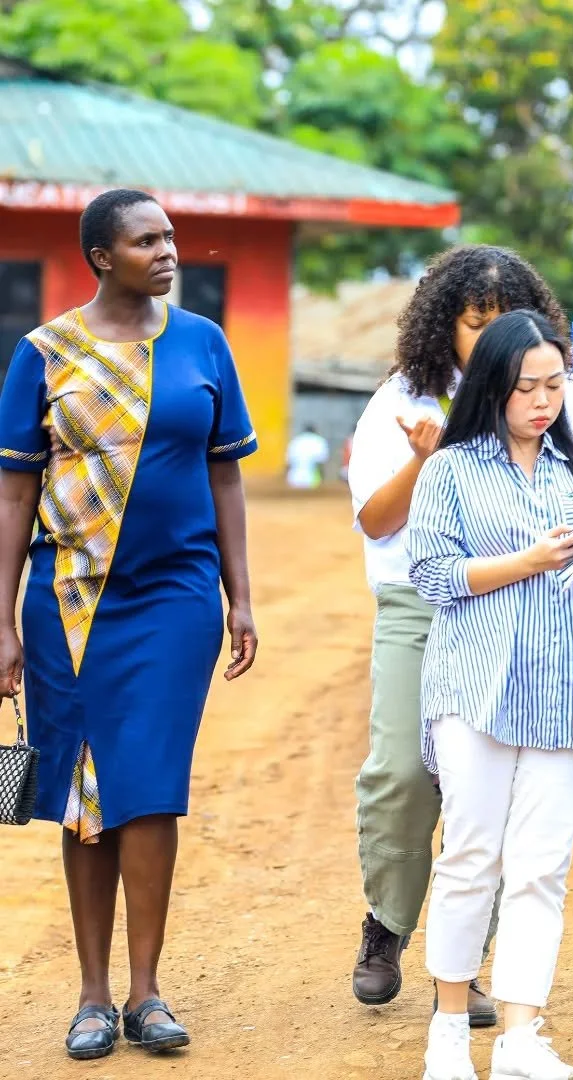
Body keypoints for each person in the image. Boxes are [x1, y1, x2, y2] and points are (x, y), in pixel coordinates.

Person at [0, 189, 258, 1060]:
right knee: (81, 794)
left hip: (176, 599)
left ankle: (148, 995)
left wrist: (241, 595)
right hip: (67, 599)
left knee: (147, 783)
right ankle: (92, 996)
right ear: (100, 256)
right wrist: (0, 619)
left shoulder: (203, 344)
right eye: (146, 240)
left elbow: (226, 478)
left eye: (171, 236)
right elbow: (13, 492)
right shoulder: (43, 355)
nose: (168, 250)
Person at [347, 245, 573, 1024]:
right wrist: (430, 465)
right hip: (421, 602)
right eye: (475, 322)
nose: (492, 336)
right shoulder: (407, 397)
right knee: (403, 771)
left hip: (523, 605)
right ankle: (390, 922)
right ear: (445, 325)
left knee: (495, 790)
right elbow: (375, 519)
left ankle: (462, 976)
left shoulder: (553, 397)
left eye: (505, 318)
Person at [407, 309, 573, 1080]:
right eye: (526, 387)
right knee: (472, 854)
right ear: (491, 388)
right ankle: (448, 1032)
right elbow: (435, 576)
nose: (544, 401)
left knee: (541, 864)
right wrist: (531, 559)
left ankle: (520, 1036)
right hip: (476, 681)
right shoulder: (452, 468)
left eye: (554, 386)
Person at [285, 424, 330, 489]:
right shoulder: (319, 441)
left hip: (293, 480)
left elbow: (288, 464)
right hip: (312, 481)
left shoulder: (295, 441)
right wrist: (322, 479)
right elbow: (320, 463)